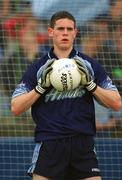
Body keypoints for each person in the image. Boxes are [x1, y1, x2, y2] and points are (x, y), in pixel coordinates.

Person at [11, 11, 122, 180]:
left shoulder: (88, 65)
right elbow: (16, 107)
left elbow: (116, 103)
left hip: (82, 143)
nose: (65, 33)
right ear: (51, 32)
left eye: (69, 29)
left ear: (75, 33)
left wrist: (91, 85)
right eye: (60, 28)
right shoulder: (38, 68)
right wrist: (41, 88)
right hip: (50, 143)